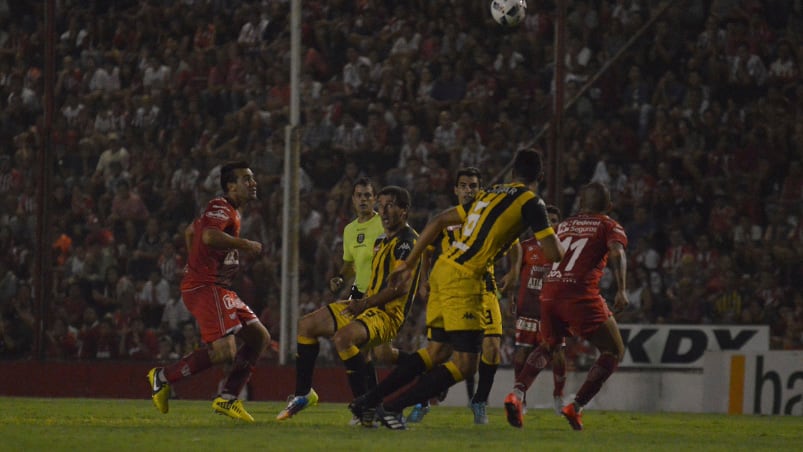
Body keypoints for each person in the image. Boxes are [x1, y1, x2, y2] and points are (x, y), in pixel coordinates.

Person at [350, 149, 564, 430]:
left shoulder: (487, 195)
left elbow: (439, 219)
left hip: (442, 271)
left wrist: (408, 262)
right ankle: (390, 408)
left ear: (512, 173)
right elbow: (553, 253)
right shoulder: (532, 202)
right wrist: (559, 238)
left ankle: (366, 401)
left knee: (436, 353)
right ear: (540, 175)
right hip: (465, 279)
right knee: (465, 365)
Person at [277, 186, 421, 424]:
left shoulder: (406, 242)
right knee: (306, 325)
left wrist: (363, 303)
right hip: (366, 306)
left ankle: (365, 408)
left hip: (387, 315)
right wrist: (349, 286)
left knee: (344, 338)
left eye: (390, 205)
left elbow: (401, 288)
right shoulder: (381, 240)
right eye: (381, 205)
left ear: (404, 211)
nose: (383, 211)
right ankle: (304, 393)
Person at [146, 161, 270, 422]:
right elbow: (209, 237)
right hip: (207, 287)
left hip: (217, 287)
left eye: (253, 178)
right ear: (231, 186)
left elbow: (190, 231)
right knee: (226, 352)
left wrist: (193, 264)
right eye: (246, 179)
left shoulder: (229, 210)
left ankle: (227, 398)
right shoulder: (220, 207)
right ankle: (163, 377)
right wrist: (245, 244)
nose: (253, 183)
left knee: (259, 337)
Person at [504, 181, 628, 431]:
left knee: (548, 345)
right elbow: (616, 252)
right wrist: (622, 289)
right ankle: (576, 406)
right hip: (580, 295)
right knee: (614, 350)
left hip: (548, 293)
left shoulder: (562, 225)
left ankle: (516, 395)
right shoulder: (608, 225)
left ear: (580, 205)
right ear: (609, 206)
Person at [407, 167, 522, 425]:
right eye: (464, 185)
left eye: (473, 185)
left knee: (491, 348)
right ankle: (423, 400)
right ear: (456, 189)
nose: (469, 190)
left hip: (484, 287)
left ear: (479, 189)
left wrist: (514, 274)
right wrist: (424, 279)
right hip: (451, 290)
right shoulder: (448, 218)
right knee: (438, 352)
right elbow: (426, 249)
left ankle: (479, 401)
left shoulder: (489, 215)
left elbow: (515, 244)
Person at [510, 204, 567, 415]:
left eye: (554, 220)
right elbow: (514, 274)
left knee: (558, 355)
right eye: (547, 220)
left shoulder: (564, 248)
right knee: (522, 353)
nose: (550, 224)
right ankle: (520, 400)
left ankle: (559, 396)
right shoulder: (525, 246)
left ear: (559, 223)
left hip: (553, 310)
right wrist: (511, 298)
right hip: (528, 308)